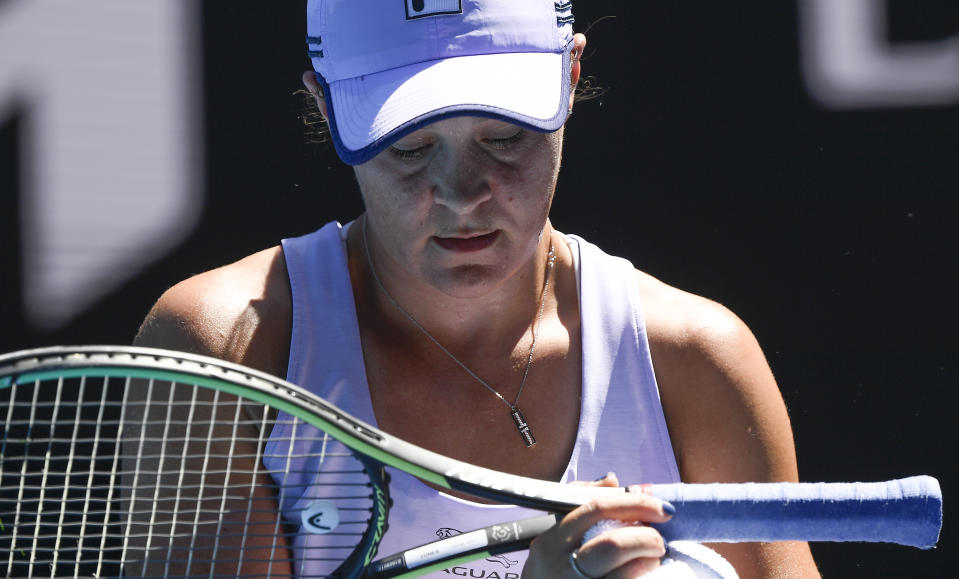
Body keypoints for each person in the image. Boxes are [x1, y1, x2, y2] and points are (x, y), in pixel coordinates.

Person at [134, 0, 820, 577]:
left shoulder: (697, 357)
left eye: (503, 136)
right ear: (324, 100)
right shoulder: (223, 347)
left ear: (572, 76)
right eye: (407, 146)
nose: (462, 196)